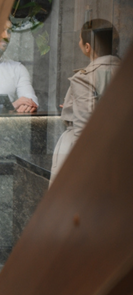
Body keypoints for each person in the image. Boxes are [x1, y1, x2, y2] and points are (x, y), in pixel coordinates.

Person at [50, 19, 120, 183]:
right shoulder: (125, 73)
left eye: (80, 40)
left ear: (87, 47)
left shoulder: (84, 78)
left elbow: (84, 132)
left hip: (86, 156)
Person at [0, 20, 39, 113]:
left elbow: (30, 99)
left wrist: (28, 105)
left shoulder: (18, 69)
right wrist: (12, 106)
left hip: (10, 127)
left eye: (8, 31)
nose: (6, 36)